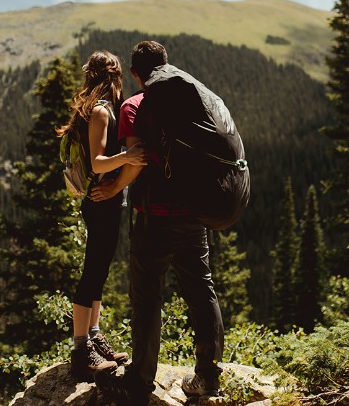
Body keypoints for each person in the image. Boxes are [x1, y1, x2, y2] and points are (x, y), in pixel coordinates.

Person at [91, 41, 225, 405]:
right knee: (201, 290)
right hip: (195, 216)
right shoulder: (192, 101)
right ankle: (208, 377)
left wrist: (113, 189)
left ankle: (139, 381)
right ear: (166, 65)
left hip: (153, 218)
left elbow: (135, 162)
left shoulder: (135, 106)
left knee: (147, 298)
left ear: (136, 74)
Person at [57, 50, 148, 381]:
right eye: (117, 75)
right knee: (92, 273)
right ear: (112, 76)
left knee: (98, 272)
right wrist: (128, 156)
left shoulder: (99, 109)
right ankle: (81, 351)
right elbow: (97, 163)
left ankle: (93, 337)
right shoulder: (100, 112)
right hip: (99, 201)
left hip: (105, 202)